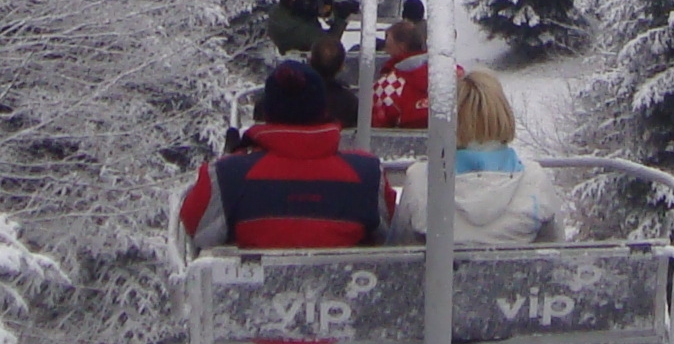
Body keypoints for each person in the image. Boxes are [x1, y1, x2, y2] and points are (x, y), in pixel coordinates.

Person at [179, 61, 392, 250]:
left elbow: (199, 233)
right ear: (323, 110)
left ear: (266, 112)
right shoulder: (368, 175)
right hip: (348, 282)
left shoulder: (227, 176)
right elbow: (391, 236)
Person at [392, 66, 561, 246]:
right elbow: (556, 251)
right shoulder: (534, 180)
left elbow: (399, 250)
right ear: (503, 113)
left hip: (443, 265)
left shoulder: (420, 179)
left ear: (447, 120)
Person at [371, 13, 431, 130]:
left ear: (401, 46)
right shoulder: (454, 74)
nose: (385, 49)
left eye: (388, 42)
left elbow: (377, 129)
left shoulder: (386, 85)